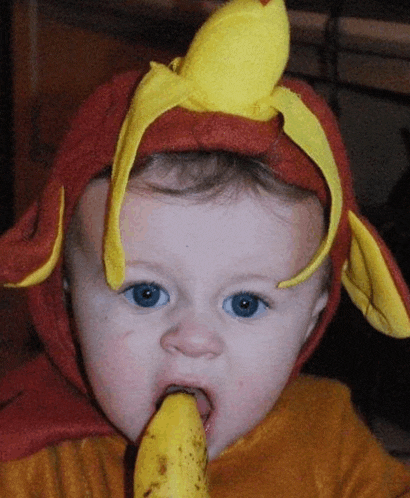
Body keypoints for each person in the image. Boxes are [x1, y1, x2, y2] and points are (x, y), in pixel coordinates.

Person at [1, 0, 410, 495]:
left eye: (245, 303)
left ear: (309, 319)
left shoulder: (331, 441)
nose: (193, 339)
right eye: (146, 293)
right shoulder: (32, 468)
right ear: (67, 294)